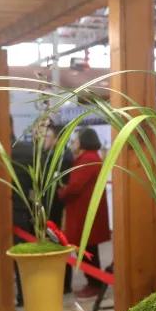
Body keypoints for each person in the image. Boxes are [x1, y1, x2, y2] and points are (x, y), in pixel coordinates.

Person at [12, 118, 74, 298]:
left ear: (56, 138)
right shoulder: (45, 155)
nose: (42, 139)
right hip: (44, 209)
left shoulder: (62, 156)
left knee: (59, 243)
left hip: (55, 209)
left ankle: (63, 284)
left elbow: (60, 183)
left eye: (46, 136)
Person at [57, 127, 111, 299]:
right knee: (88, 247)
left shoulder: (87, 159)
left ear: (83, 141)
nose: (74, 143)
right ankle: (94, 282)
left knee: (87, 249)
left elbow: (74, 187)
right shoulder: (91, 157)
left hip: (85, 213)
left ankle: (95, 284)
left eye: (76, 140)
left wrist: (60, 192)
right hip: (86, 211)